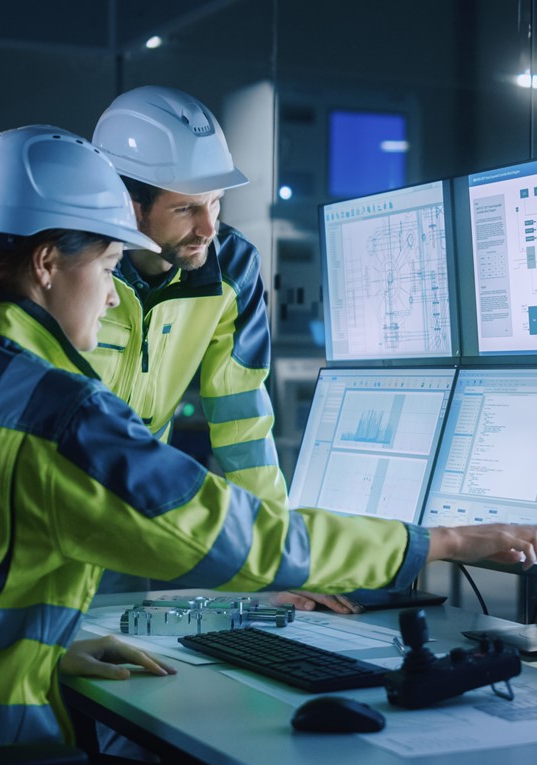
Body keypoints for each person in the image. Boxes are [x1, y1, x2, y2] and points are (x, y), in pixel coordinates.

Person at [0, 125, 537, 765]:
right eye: (108, 264)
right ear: (50, 263)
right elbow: (230, 535)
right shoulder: (53, 415)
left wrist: (45, 653)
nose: (115, 294)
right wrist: (436, 541)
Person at [88, 86, 354, 612]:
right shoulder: (75, 267)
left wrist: (278, 560)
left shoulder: (231, 268)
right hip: (39, 513)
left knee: (108, 666)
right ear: (126, 203)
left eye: (216, 202)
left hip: (125, 524)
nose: (209, 227)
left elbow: (242, 424)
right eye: (187, 208)